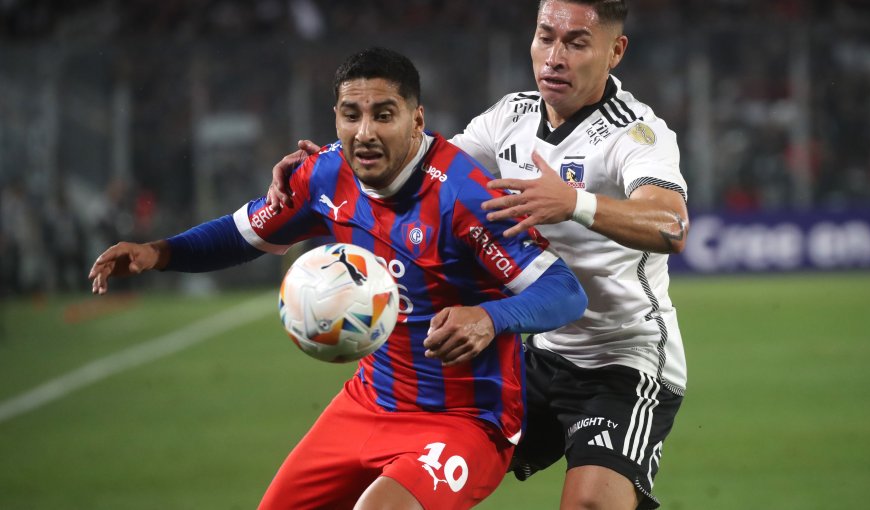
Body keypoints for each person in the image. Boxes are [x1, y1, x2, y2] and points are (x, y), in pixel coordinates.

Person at [88, 47, 587, 510]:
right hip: (370, 402)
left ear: (417, 120)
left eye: (383, 115)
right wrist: (158, 253)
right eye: (352, 115)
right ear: (336, 118)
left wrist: (489, 317)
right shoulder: (326, 175)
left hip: (464, 422)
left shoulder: (465, 197)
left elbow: (564, 290)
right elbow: (244, 234)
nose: (364, 131)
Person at [266, 2, 689, 509]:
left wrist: (573, 202)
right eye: (545, 37)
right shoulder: (508, 116)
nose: (554, 57)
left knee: (592, 504)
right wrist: (339, 165)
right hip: (538, 353)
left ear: (615, 51)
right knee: (415, 469)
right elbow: (427, 171)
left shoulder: (637, 132)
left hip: (623, 359)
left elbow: (672, 224)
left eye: (576, 43)